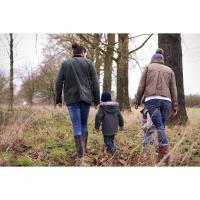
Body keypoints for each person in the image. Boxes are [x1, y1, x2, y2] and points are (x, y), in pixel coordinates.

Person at [55, 43, 100, 159]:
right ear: (83, 52)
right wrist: (97, 100)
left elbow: (58, 82)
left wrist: (58, 100)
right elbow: (95, 83)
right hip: (86, 98)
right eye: (86, 53)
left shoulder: (65, 64)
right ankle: (83, 149)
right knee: (84, 124)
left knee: (76, 124)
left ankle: (80, 153)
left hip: (71, 99)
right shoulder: (89, 63)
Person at [135, 48, 178, 164]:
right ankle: (161, 155)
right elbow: (174, 89)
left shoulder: (148, 67)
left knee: (159, 127)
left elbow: (141, 86)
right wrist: (175, 106)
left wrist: (137, 101)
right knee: (161, 126)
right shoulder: (170, 70)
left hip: (152, 100)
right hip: (166, 102)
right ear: (162, 60)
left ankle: (167, 155)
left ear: (153, 59)